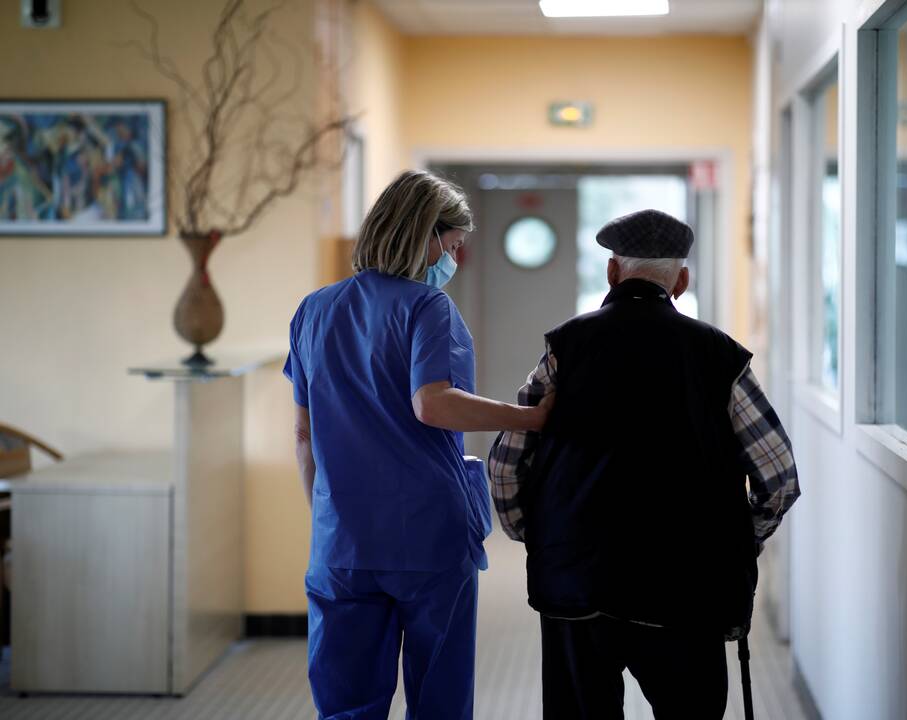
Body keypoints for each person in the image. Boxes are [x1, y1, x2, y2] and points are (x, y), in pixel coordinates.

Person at [488, 209, 800, 718]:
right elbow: (779, 477)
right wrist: (738, 540)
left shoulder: (565, 346)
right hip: (690, 587)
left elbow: (506, 462)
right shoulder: (720, 356)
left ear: (613, 273)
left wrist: (541, 533)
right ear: (681, 281)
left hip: (576, 581)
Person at [285, 169, 553, 720]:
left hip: (342, 544)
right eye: (453, 246)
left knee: (345, 703)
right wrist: (529, 417)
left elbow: (302, 434)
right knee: (439, 697)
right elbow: (433, 404)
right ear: (427, 235)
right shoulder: (427, 308)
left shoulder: (313, 310)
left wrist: (329, 518)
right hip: (425, 536)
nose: (454, 260)